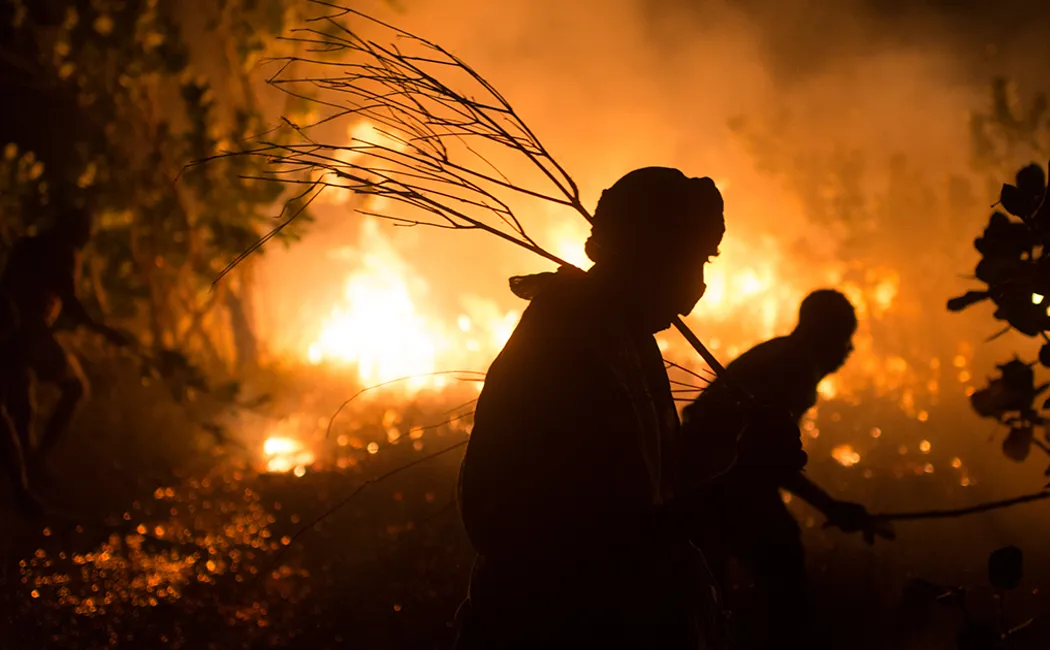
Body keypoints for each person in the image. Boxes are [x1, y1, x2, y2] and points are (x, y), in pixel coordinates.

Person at [453, 167, 803, 649]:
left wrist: (740, 466)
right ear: (643, 254)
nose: (696, 289)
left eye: (704, 262)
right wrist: (741, 481)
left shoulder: (621, 336)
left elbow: (656, 494)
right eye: (688, 261)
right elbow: (606, 539)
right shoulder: (570, 348)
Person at [681, 289, 893, 649]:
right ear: (824, 335)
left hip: (707, 471)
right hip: (715, 474)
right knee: (779, 559)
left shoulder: (781, 354)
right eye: (844, 338)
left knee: (713, 580)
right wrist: (829, 505)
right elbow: (769, 459)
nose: (848, 351)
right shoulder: (793, 368)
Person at [0, 203, 127, 485]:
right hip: (28, 330)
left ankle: (27, 475)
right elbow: (69, 301)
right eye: (85, 231)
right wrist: (104, 331)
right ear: (73, 230)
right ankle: (35, 464)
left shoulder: (29, 246)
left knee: (19, 405)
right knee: (74, 387)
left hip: (9, 329)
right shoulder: (63, 251)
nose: (88, 237)